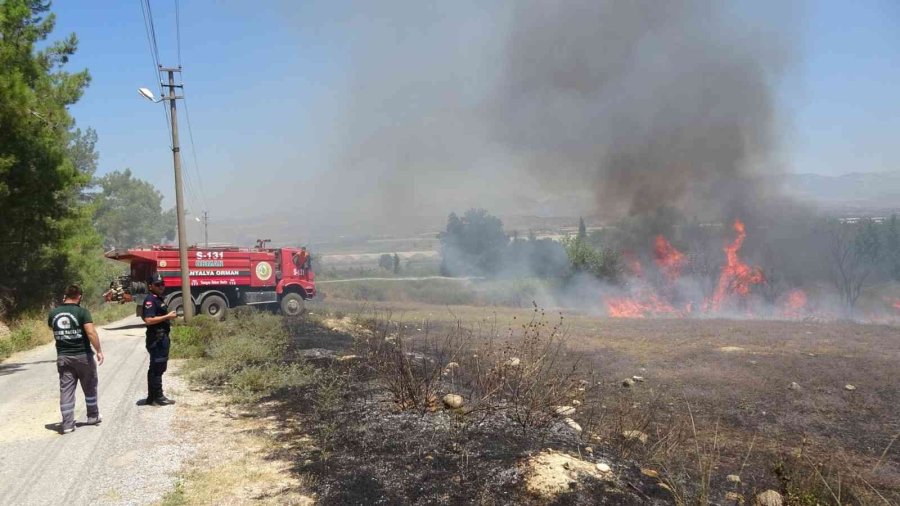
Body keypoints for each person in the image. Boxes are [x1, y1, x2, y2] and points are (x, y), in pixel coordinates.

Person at [47, 284, 104, 434]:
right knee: (90, 385)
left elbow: (53, 328)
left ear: (65, 296)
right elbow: (91, 333)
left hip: (63, 357)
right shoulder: (82, 312)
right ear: (79, 296)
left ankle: (67, 424)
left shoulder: (54, 313)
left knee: (66, 389)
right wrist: (98, 350)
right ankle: (92, 416)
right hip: (82, 355)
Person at [141, 273, 177, 406]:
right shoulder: (150, 300)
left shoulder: (157, 298)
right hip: (157, 339)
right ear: (150, 286)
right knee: (158, 368)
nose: (161, 286)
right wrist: (167, 316)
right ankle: (158, 397)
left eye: (163, 284)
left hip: (160, 337)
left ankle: (152, 397)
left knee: (156, 368)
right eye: (158, 284)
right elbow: (148, 320)